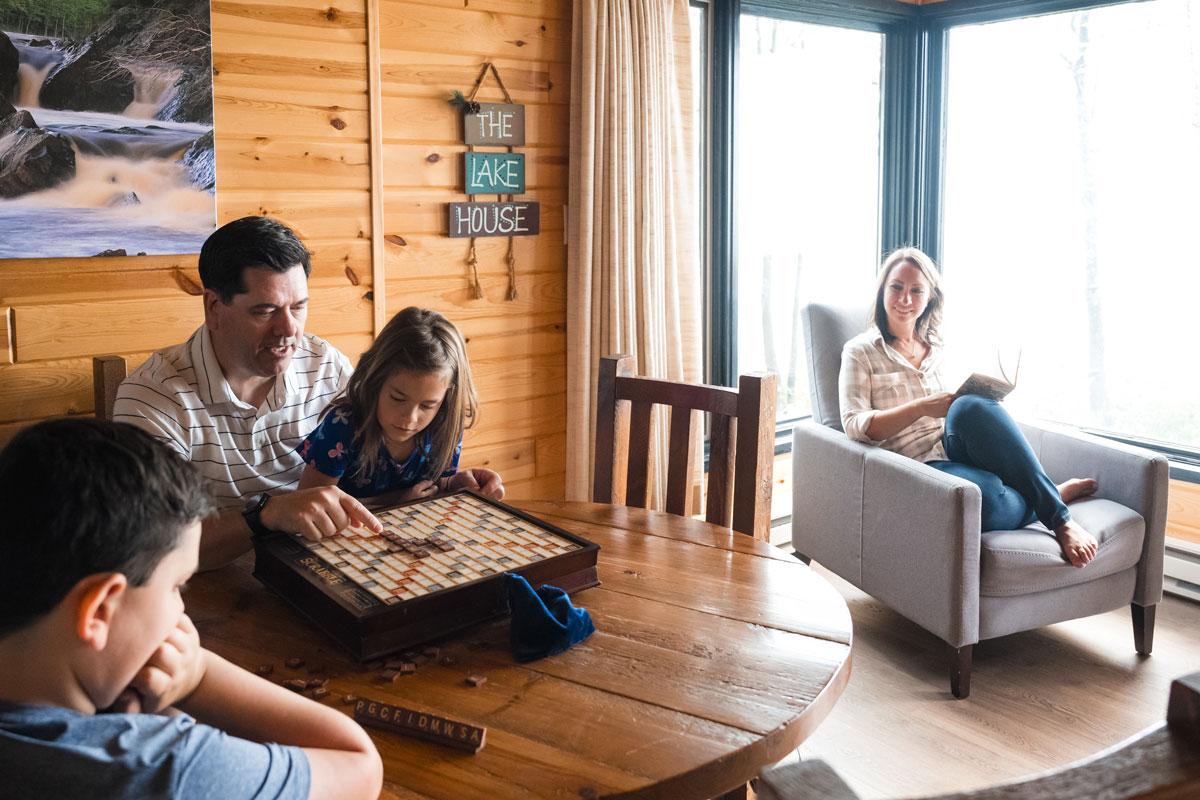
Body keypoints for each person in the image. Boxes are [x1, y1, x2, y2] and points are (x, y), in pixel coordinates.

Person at [0, 418, 383, 799]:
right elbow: (358, 766)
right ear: (99, 610)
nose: (181, 611)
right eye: (177, 586)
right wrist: (196, 677)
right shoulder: (161, 768)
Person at [114, 216, 382, 569]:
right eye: (265, 310)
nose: (289, 330)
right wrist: (265, 515)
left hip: (317, 571)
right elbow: (154, 546)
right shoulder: (153, 398)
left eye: (298, 307)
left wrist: (446, 482)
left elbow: (379, 460)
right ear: (213, 308)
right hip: (206, 592)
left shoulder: (325, 366)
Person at [839, 247, 1100, 567]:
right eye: (896, 287)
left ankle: (1061, 521)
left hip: (954, 446)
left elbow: (960, 413)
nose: (905, 299)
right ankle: (1051, 494)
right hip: (916, 465)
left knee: (970, 407)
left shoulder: (938, 348)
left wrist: (981, 399)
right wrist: (920, 407)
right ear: (882, 290)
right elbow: (854, 424)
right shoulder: (859, 351)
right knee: (985, 498)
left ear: (929, 298)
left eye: (916, 290)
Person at [297, 307, 504, 509]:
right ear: (376, 381)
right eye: (397, 398)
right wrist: (398, 503)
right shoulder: (342, 426)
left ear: (445, 399)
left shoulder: (444, 425)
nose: (410, 418)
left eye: (427, 405)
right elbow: (310, 509)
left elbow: (436, 487)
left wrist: (458, 485)